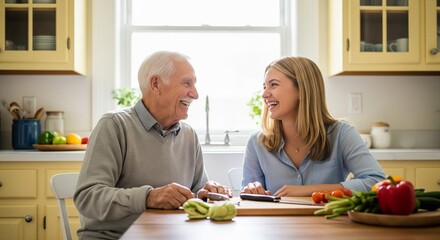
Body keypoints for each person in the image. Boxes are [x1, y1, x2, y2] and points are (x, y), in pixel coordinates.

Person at [74, 51, 231, 239]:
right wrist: (149, 197)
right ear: (156, 84)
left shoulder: (189, 135)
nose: (195, 94)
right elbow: (88, 197)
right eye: (186, 83)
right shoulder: (114, 125)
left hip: (169, 235)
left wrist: (208, 193)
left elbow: (197, 193)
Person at [241, 56, 385, 197]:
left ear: (302, 90)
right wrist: (251, 190)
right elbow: (251, 196)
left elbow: (377, 182)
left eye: (273, 85)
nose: (264, 94)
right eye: (264, 86)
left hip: (327, 220)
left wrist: (312, 190)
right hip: (277, 221)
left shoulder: (342, 134)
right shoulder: (257, 142)